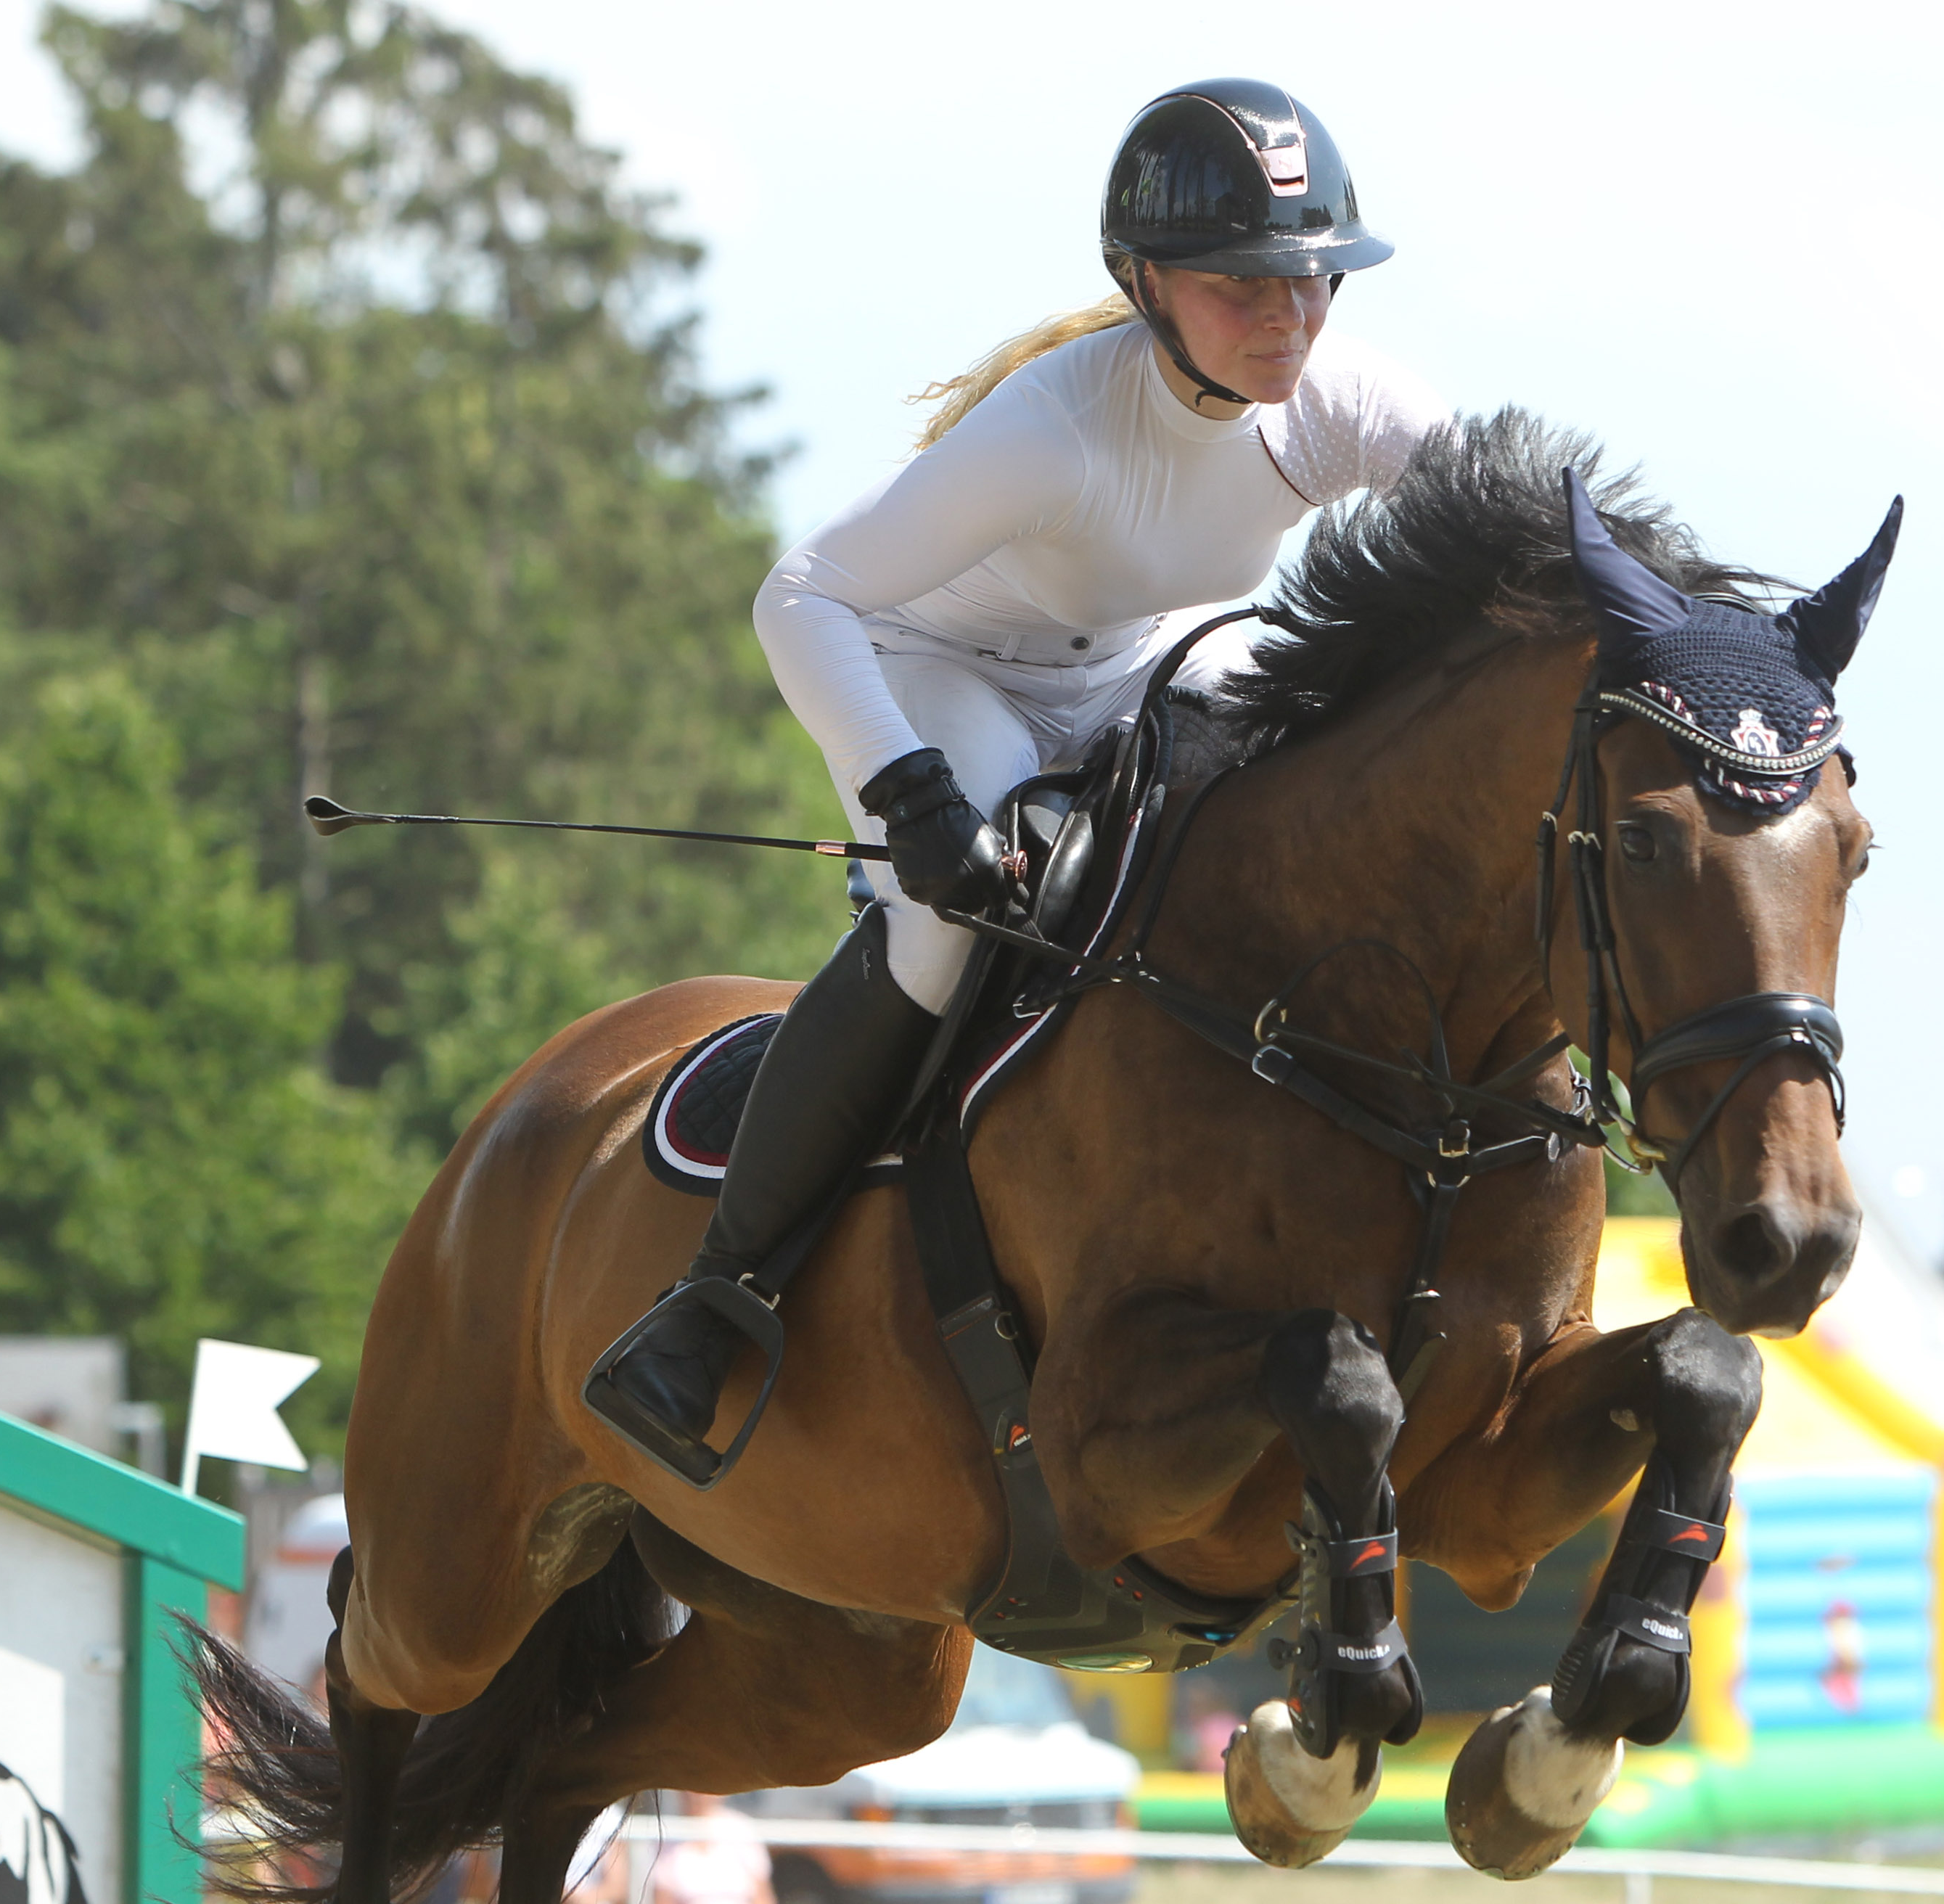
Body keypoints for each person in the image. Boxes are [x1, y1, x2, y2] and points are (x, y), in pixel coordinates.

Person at [586, 79, 1447, 1483]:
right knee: (954, 919)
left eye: (1313, 283)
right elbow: (801, 594)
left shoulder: (1342, 403)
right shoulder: (1054, 429)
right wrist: (911, 795)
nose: (1290, 320)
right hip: (940, 670)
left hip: (1138, 663)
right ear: (1144, 282)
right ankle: (715, 1295)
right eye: (1245, 287)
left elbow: (1515, 533)